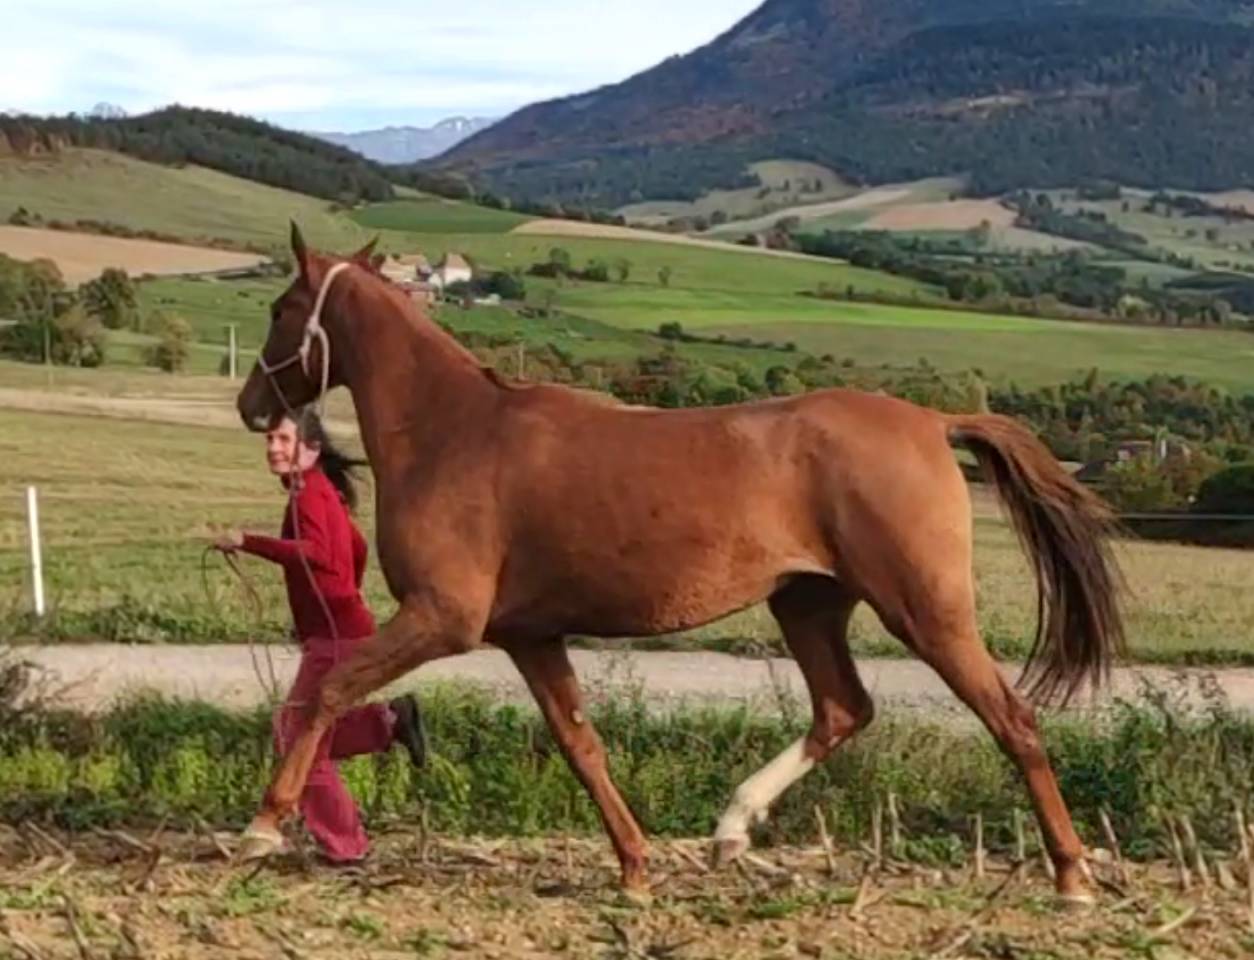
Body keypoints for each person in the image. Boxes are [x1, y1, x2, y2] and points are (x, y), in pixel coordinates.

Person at [214, 407, 426, 865]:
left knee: (297, 738)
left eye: (284, 440)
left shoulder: (308, 492)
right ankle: (388, 723)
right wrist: (340, 598)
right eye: (270, 440)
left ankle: (346, 847)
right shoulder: (324, 491)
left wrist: (244, 540)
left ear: (310, 449)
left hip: (334, 634)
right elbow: (353, 549)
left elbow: (318, 553)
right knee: (312, 733)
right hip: (341, 628)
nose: (273, 448)